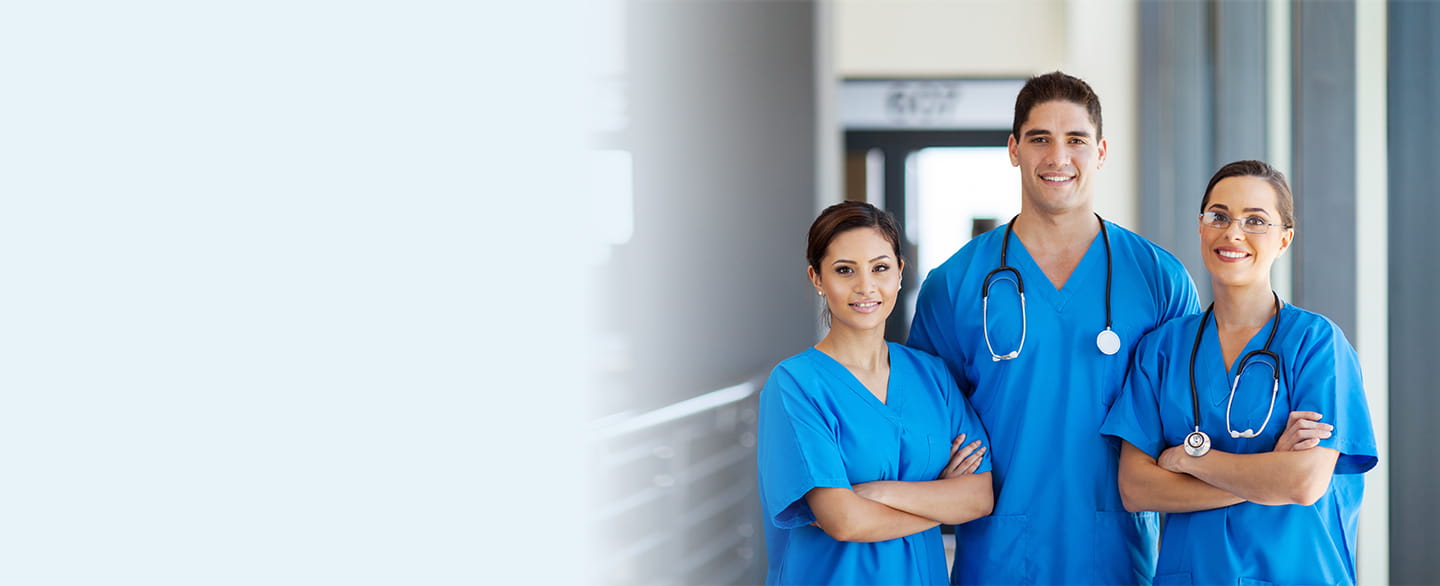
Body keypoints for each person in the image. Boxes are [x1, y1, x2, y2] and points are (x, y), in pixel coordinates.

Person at [906, 71, 1200, 585]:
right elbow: (923, 420)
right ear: (1014, 149)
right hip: (998, 556)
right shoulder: (954, 284)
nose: (1058, 157)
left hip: (1118, 555)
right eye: (1040, 138)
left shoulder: (1158, 279)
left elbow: (1190, 414)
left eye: (1076, 140)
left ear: (1101, 152)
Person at [1100, 160, 1378, 585]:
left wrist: (1190, 459)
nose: (1232, 232)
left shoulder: (1316, 343)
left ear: (1284, 239)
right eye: (1219, 216)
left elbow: (1303, 482)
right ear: (1200, 226)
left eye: (1255, 221)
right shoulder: (1163, 349)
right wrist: (1266, 476)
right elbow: (1136, 489)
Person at [757, 201, 995, 585]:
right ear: (817, 278)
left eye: (880, 268)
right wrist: (941, 500)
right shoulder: (795, 385)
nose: (865, 286)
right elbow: (845, 521)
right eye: (844, 270)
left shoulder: (932, 375)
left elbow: (979, 498)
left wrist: (877, 492)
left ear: (899, 273)